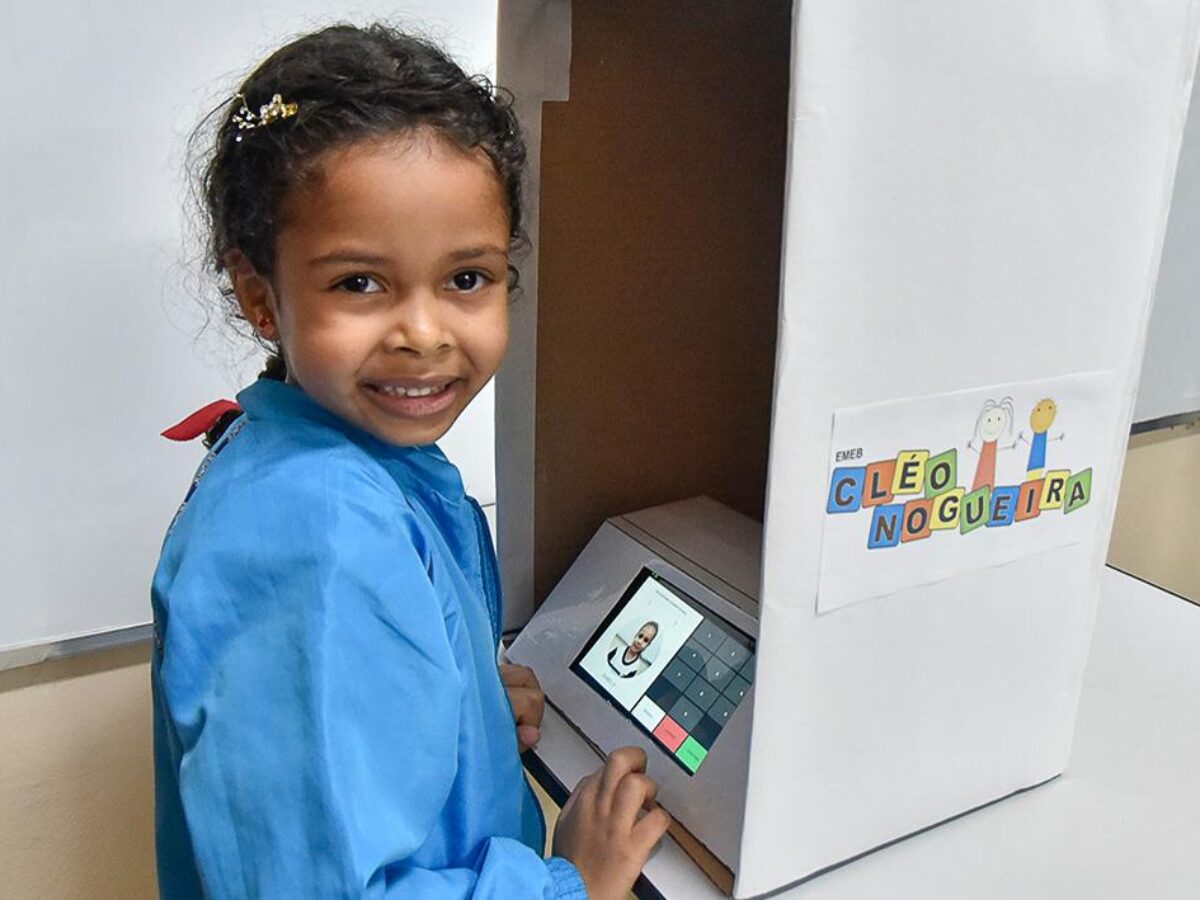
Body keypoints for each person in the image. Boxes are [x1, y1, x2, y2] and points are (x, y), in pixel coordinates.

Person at [152, 24, 669, 900]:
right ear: (260, 298)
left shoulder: (343, 460)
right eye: (359, 282)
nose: (424, 333)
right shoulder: (317, 536)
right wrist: (570, 882)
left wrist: (462, 701)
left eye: (467, 278)